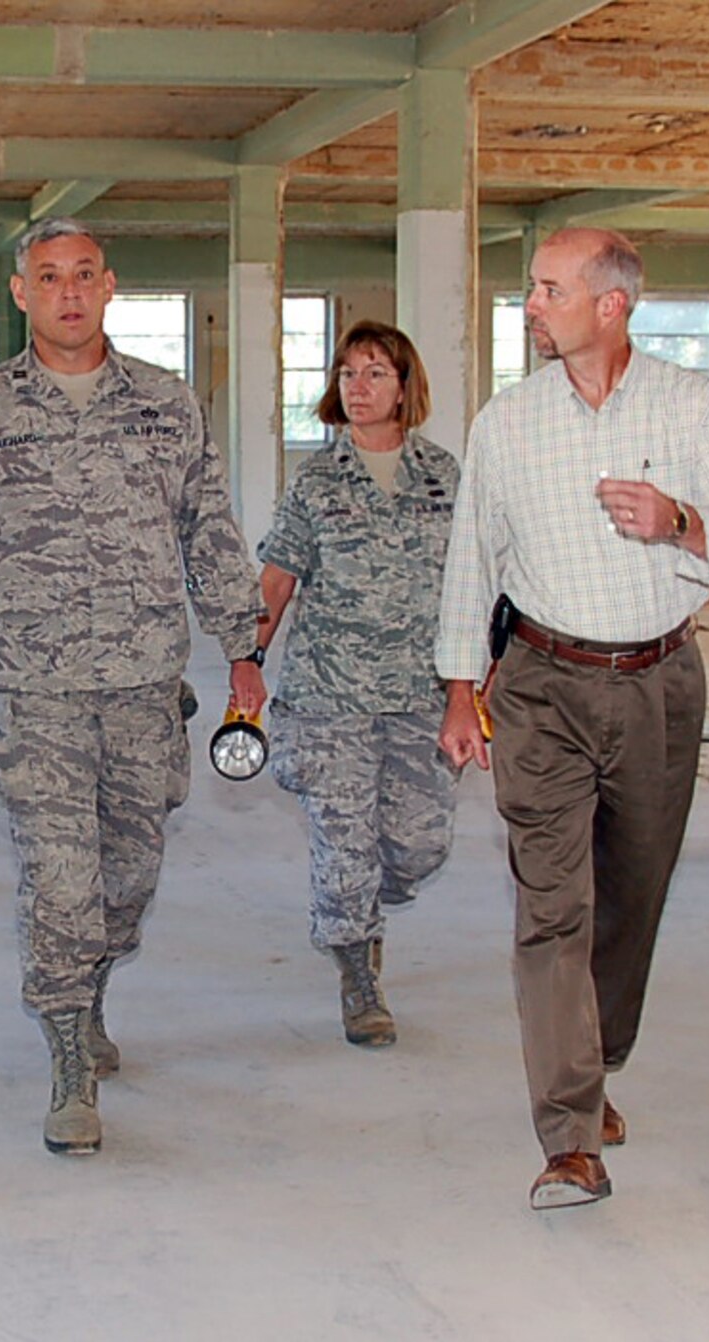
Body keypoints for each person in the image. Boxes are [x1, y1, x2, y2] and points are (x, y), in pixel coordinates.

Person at [0, 217, 266, 1157]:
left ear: (110, 287)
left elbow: (210, 529)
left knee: (128, 877)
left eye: (84, 275)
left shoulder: (166, 404)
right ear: (21, 293)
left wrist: (242, 648)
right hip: (33, 688)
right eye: (48, 277)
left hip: (147, 684)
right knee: (59, 878)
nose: (67, 291)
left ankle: (92, 992)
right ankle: (67, 1052)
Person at [435, 227, 709, 1210]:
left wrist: (678, 520)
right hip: (539, 683)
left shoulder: (690, 408)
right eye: (532, 289)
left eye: (547, 289)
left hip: (659, 683)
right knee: (550, 906)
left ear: (610, 303)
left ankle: (599, 1048)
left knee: (631, 890)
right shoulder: (507, 423)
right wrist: (461, 686)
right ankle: (569, 1134)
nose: (530, 304)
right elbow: (473, 557)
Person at [254, 321, 460, 1051]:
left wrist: (474, 688)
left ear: (406, 386)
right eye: (347, 374)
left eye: (375, 373)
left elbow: (471, 588)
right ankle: (359, 972)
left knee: (419, 845)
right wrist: (247, 666)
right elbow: (277, 578)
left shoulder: (445, 476)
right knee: (344, 844)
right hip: (329, 696)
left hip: (416, 695)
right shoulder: (316, 480)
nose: (358, 387)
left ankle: (370, 898)